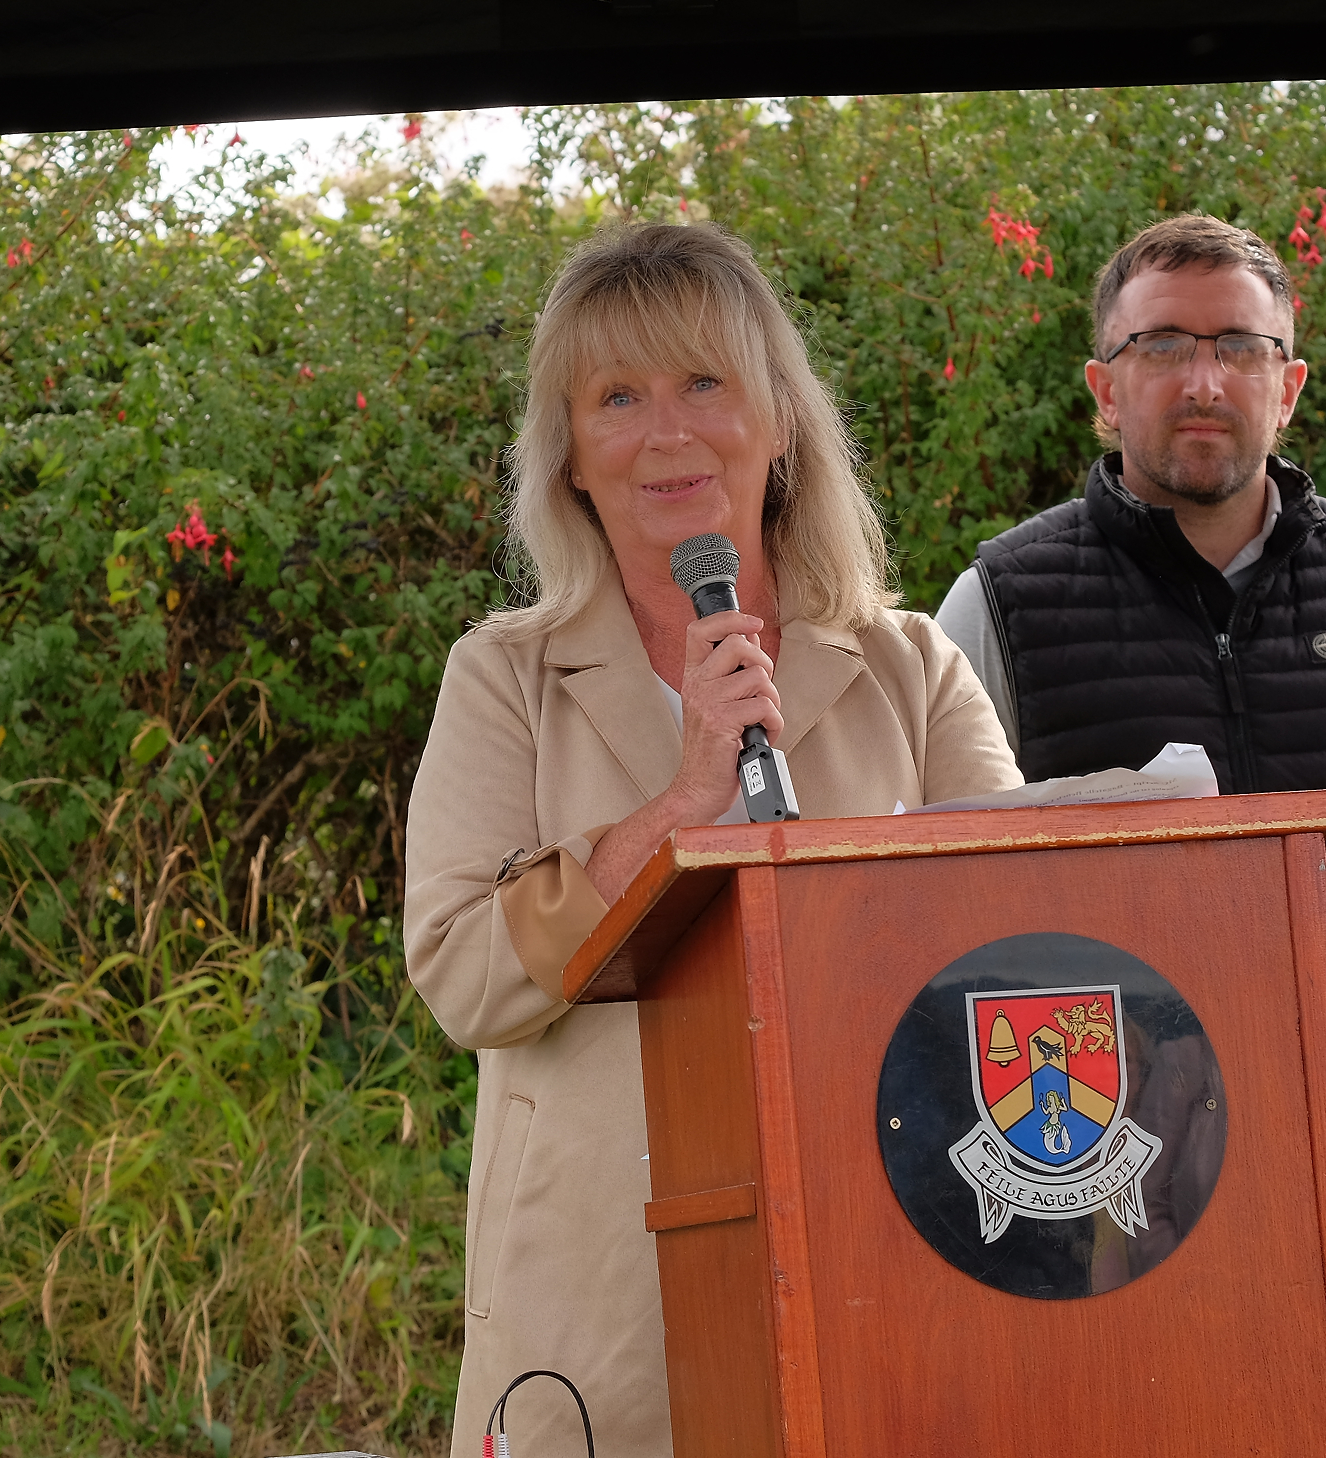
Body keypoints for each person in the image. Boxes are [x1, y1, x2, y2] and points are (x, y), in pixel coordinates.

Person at [406, 222, 1020, 1458]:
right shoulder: (504, 677)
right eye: (617, 397)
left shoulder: (912, 667)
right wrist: (680, 805)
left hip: (882, 1263)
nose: (666, 433)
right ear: (571, 455)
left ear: (780, 420)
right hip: (601, 1308)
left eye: (703, 382)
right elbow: (463, 972)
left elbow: (1016, 941)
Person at [934, 213, 1326, 1458]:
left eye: (1239, 348)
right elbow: (946, 904)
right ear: (1104, 387)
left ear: (1287, 385)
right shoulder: (999, 605)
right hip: (1118, 1192)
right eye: (1161, 346)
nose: (1203, 380)